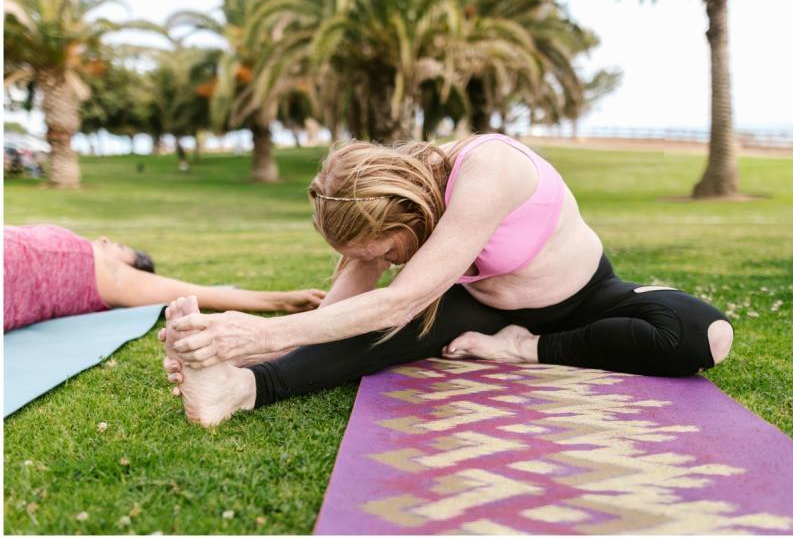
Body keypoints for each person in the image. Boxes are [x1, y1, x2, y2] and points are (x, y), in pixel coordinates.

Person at [162, 134, 734, 427]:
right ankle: (240, 391)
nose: (383, 260)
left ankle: (526, 349)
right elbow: (355, 303)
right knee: (377, 328)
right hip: (479, 306)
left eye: (387, 250)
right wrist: (241, 355)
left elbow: (400, 298)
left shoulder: (488, 169)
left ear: (409, 211)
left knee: (704, 335)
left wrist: (256, 334)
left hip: (585, 297)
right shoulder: (383, 210)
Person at [3, 224, 325, 332]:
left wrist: (282, 299)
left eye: (118, 247)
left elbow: (194, 292)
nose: (104, 240)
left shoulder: (115, 278)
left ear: (131, 267)